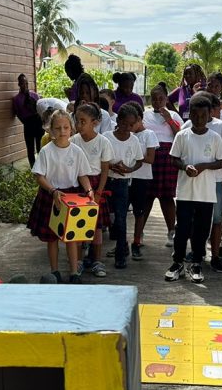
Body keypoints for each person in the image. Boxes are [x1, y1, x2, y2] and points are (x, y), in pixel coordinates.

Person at [27, 110, 95, 283]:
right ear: (50, 130)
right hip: (51, 196)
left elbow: (82, 175)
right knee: (52, 238)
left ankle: (74, 273)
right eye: (57, 128)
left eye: (66, 127)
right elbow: (39, 176)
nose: (62, 131)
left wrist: (89, 190)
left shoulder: (77, 151)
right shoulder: (46, 151)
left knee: (71, 238)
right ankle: (55, 272)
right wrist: (52, 190)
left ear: (71, 129)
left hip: (71, 197)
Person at [165, 95, 222, 283]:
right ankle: (177, 262)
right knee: (182, 228)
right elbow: (173, 159)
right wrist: (185, 167)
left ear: (209, 116)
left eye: (203, 115)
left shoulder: (215, 137)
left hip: (206, 194)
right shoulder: (182, 135)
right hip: (185, 192)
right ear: (190, 114)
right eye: (196, 115)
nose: (199, 119)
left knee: (201, 230)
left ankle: (196, 263)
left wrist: (203, 166)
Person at [182, 92, 222, 272]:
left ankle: (215, 255)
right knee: (194, 218)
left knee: (216, 219)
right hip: (193, 182)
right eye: (195, 112)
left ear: (211, 110)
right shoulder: (188, 125)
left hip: (215, 181)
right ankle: (196, 253)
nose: (200, 117)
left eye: (205, 112)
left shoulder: (220, 127)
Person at [70, 103, 113, 278]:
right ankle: (78, 261)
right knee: (77, 226)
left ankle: (97, 261)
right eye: (77, 121)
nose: (79, 125)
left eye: (83, 121)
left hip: (96, 185)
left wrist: (99, 192)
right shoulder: (73, 141)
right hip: (77, 186)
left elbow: (105, 170)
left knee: (96, 227)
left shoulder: (103, 142)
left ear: (94, 122)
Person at [104, 103, 146, 269]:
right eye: (124, 124)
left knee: (121, 218)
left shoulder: (134, 140)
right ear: (118, 121)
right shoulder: (107, 137)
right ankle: (93, 254)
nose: (128, 128)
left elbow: (139, 161)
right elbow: (100, 159)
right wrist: (111, 166)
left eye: (131, 125)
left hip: (123, 183)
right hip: (106, 181)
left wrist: (129, 169)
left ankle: (120, 255)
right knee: (108, 218)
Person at [142, 83, 183, 245]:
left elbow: (180, 135)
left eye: (161, 99)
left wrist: (169, 119)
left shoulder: (173, 115)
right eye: (154, 99)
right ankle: (139, 233)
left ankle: (171, 232)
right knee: (147, 196)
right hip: (151, 156)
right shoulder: (145, 115)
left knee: (167, 197)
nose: (158, 102)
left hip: (168, 157)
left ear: (166, 99)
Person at [128, 106, 159, 260]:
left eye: (131, 124)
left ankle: (136, 242)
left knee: (139, 212)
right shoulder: (127, 134)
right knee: (121, 211)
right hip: (126, 177)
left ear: (139, 119)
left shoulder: (149, 135)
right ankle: (121, 243)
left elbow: (151, 158)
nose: (129, 127)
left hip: (141, 178)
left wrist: (134, 156)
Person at [12, 73, 43, 167]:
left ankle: (42, 167)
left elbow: (40, 108)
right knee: (30, 148)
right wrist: (25, 122)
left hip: (38, 122)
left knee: (40, 147)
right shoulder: (16, 99)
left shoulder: (34, 95)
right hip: (28, 124)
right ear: (19, 84)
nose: (25, 85)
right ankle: (33, 168)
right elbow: (17, 113)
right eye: (22, 83)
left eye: (26, 83)